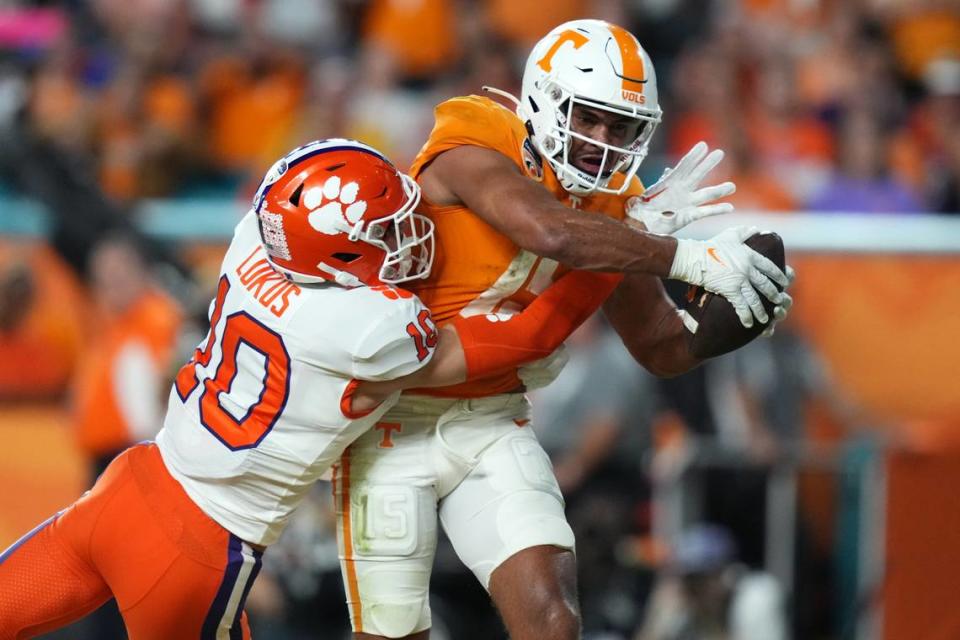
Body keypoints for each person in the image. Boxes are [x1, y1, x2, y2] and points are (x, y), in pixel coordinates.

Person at [0, 138, 608, 640]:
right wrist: (615, 258)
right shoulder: (376, 326)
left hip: (125, 488)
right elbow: (529, 336)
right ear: (339, 255)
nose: (410, 237)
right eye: (389, 231)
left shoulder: (252, 243)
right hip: (197, 549)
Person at [332, 19, 794, 640]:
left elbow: (660, 346)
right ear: (545, 102)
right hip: (388, 414)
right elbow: (545, 230)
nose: (603, 142)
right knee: (390, 634)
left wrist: (729, 317)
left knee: (552, 620)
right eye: (590, 117)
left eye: (623, 127)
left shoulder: (614, 200)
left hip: (491, 418)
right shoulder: (477, 131)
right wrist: (683, 255)